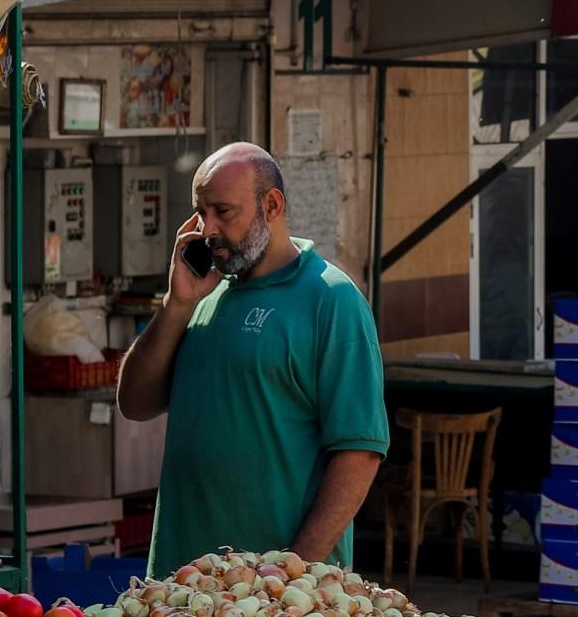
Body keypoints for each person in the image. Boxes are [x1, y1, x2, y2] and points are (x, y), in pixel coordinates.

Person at [118, 143, 388, 575]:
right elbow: (134, 403)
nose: (208, 229)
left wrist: (292, 571)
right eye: (201, 213)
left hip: (277, 599)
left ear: (272, 205)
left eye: (223, 211)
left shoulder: (330, 299)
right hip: (177, 582)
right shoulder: (202, 291)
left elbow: (359, 452)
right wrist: (175, 304)